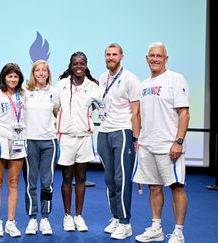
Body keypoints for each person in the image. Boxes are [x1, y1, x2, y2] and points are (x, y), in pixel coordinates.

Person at [132, 42, 190, 243]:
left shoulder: (175, 79)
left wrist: (179, 141)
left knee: (176, 187)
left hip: (168, 145)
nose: (155, 59)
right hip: (147, 145)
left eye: (159, 55)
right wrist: (137, 140)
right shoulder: (144, 85)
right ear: (147, 58)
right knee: (154, 187)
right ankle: (156, 228)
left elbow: (184, 113)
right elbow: (138, 116)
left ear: (166, 58)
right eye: (152, 55)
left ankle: (178, 232)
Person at [96, 43, 141, 240]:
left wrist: (136, 138)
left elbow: (137, 111)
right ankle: (115, 217)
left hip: (122, 131)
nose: (110, 57)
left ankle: (125, 223)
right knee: (109, 179)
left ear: (121, 56)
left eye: (114, 54)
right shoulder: (101, 78)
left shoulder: (130, 79)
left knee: (122, 179)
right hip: (103, 131)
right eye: (108, 54)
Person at [53, 51, 100, 232]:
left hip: (85, 137)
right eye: (75, 64)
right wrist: (63, 121)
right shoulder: (62, 84)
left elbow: (97, 106)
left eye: (82, 63)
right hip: (66, 137)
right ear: (70, 65)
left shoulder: (93, 86)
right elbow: (55, 106)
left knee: (81, 178)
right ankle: (67, 216)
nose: (78, 67)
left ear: (86, 65)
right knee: (66, 177)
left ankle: (79, 216)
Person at [0, 63, 26, 238]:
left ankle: (10, 222)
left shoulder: (24, 95)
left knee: (14, 183)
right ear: (4, 77)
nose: (13, 79)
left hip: (18, 141)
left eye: (16, 76)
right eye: (10, 76)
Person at [23, 60, 57, 235]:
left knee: (47, 183)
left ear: (48, 73)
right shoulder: (25, 92)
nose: (41, 73)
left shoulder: (54, 92)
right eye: (38, 70)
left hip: (49, 142)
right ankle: (32, 218)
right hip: (29, 142)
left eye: (44, 70)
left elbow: (59, 114)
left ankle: (45, 218)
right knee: (31, 183)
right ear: (33, 73)